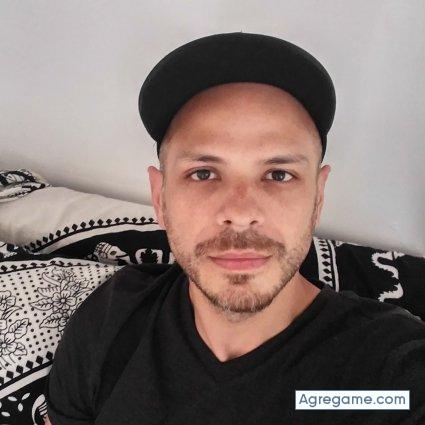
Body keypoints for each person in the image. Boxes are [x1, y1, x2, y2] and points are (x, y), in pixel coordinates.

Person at [44, 32, 425, 425]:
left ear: (318, 198)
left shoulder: (386, 376)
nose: (241, 214)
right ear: (160, 198)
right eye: (203, 173)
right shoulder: (112, 320)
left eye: (278, 175)